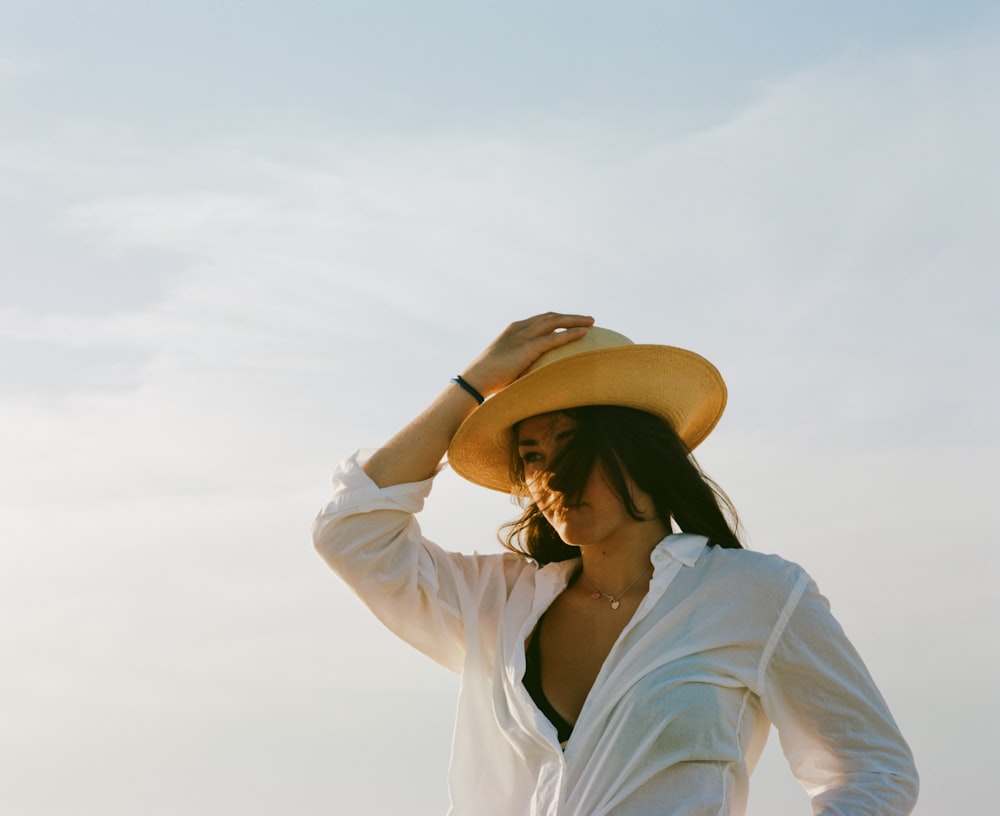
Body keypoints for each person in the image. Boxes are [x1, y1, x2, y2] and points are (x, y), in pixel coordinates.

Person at [312, 312, 918, 815]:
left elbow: (873, 769)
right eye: (530, 454)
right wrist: (472, 386)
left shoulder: (755, 593)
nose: (550, 475)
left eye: (572, 444)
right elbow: (351, 532)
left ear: (637, 450)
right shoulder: (493, 603)